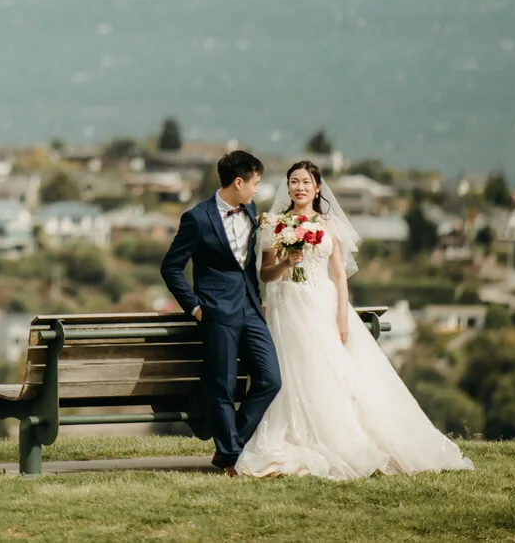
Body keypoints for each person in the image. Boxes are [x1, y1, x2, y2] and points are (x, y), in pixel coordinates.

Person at [236, 160, 474, 478]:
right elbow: (266, 275)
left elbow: (339, 275)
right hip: (287, 307)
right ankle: (297, 432)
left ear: (317, 188)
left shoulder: (329, 225)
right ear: (287, 187)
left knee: (329, 370)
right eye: (294, 181)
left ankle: (341, 435)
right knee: (293, 370)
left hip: (321, 304)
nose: (300, 187)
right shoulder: (274, 223)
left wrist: (342, 317)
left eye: (306, 182)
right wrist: (286, 263)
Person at [160, 149, 281, 476]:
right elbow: (171, 267)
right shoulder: (197, 218)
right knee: (223, 385)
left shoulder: (252, 211)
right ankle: (231, 459)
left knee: (270, 379)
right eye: (255, 182)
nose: (257, 189)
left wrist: (257, 298)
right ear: (238, 182)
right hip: (216, 312)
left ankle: (231, 445)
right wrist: (195, 307)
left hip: (251, 309)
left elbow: (247, 264)